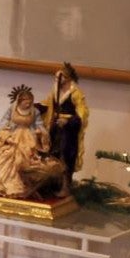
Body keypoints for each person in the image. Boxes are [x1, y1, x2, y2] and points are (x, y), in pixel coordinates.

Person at [0, 85, 63, 199]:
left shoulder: (34, 111)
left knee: (25, 158)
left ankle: (23, 185)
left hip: (29, 138)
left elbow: (40, 125)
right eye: (26, 102)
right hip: (13, 137)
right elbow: (2, 125)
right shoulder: (12, 110)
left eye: (30, 101)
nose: (28, 104)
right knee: (8, 158)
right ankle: (1, 186)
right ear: (19, 101)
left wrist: (40, 132)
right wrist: (7, 137)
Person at [45, 62, 88, 193]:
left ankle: (65, 185)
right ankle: (53, 183)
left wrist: (68, 122)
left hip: (68, 132)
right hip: (55, 129)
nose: (57, 80)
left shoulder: (75, 94)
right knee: (53, 154)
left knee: (66, 156)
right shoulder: (55, 91)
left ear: (68, 78)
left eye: (60, 77)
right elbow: (49, 106)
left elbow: (81, 116)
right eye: (56, 77)